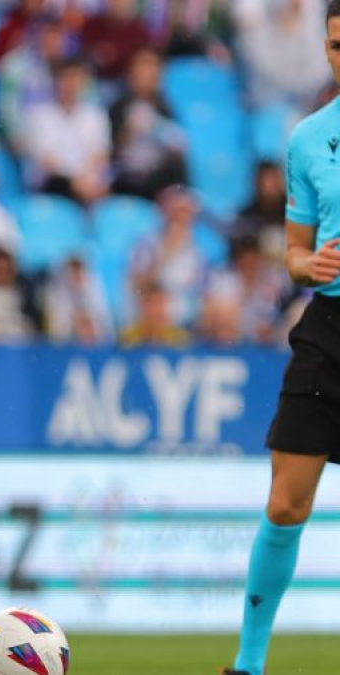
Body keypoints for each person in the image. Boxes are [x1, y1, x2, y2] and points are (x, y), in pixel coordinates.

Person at [225, 3, 340, 674]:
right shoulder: (306, 139)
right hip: (327, 328)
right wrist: (310, 265)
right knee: (285, 499)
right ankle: (249, 662)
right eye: (334, 46)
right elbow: (295, 251)